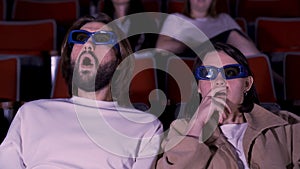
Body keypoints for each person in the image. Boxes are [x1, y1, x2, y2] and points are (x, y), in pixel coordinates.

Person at [0, 13, 163, 169]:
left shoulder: (145, 126)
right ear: (70, 55)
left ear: (120, 59)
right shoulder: (31, 113)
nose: (88, 45)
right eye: (81, 38)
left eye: (102, 38)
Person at [156, 42, 300, 168]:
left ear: (247, 84)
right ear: (199, 87)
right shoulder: (181, 131)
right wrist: (198, 123)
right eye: (208, 73)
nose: (219, 80)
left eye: (230, 72)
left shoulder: (285, 125)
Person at [156, 0, 260, 57]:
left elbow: (251, 50)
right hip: (193, 61)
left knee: (234, 35)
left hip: (226, 62)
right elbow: (161, 46)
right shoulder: (176, 18)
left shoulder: (225, 19)